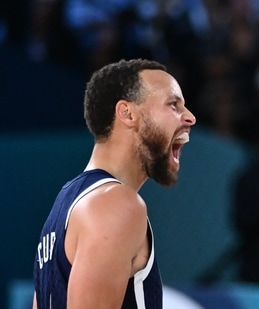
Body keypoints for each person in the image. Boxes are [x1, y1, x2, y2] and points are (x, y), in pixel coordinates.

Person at [32, 58, 196, 308]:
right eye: (173, 105)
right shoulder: (116, 204)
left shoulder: (66, 203)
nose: (190, 117)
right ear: (127, 113)